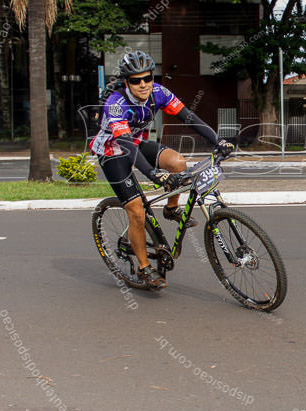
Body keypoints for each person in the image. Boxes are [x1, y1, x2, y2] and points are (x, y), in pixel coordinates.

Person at [90, 50, 234, 290]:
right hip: (113, 151)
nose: (143, 84)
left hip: (136, 142)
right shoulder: (115, 104)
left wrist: (218, 140)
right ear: (126, 82)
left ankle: (170, 209)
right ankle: (144, 269)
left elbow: (188, 116)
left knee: (178, 163)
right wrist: (152, 173)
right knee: (137, 212)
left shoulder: (158, 92)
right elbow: (124, 144)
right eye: (136, 80)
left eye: (147, 78)